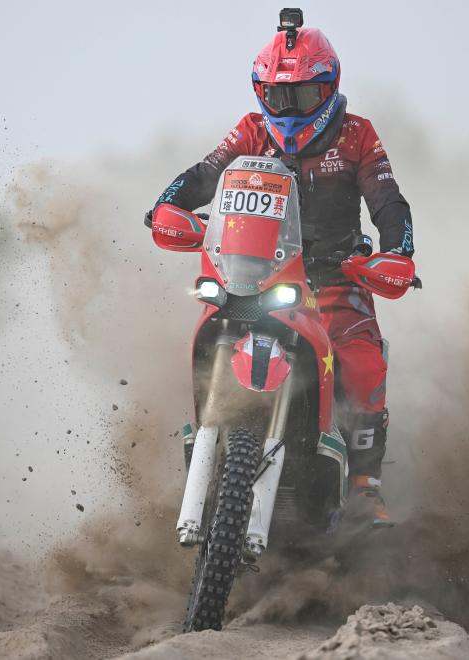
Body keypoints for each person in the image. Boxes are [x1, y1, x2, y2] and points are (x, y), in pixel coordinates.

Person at [146, 13, 414, 528]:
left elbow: (387, 200)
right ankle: (202, 459)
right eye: (277, 95)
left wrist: (398, 251)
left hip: (336, 280)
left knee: (362, 363)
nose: (288, 109)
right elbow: (204, 175)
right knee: (204, 331)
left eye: (302, 96)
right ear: (260, 91)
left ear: (329, 88)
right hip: (254, 276)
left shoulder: (357, 135)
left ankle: (365, 485)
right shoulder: (250, 131)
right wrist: (166, 206)